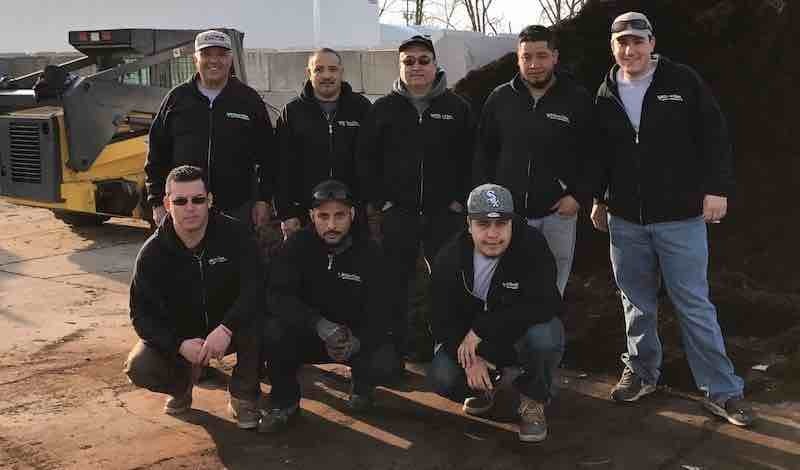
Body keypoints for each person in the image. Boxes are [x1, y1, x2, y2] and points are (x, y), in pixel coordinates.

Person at [591, 12, 753, 426]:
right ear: (613, 47)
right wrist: (599, 199)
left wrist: (717, 188)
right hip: (626, 220)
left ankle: (722, 390)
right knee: (635, 303)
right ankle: (642, 372)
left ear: (652, 43)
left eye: (637, 41)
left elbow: (715, 135)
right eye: (622, 42)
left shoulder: (682, 82)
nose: (630, 50)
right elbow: (601, 154)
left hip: (680, 217)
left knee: (693, 304)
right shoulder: (606, 92)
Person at [357, 35, 473, 360]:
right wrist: (382, 202)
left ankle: (445, 351)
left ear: (435, 64)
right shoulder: (382, 109)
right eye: (408, 61)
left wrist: (459, 200)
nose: (416, 67)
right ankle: (396, 352)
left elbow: (472, 157)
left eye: (423, 60)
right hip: (398, 214)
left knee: (448, 282)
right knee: (395, 285)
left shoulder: (457, 108)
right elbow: (365, 160)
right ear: (399, 66)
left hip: (444, 214)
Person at [124, 165, 264, 429]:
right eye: (180, 201)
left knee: (270, 324)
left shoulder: (237, 236)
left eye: (198, 200)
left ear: (209, 200)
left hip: (230, 329)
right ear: (167, 203)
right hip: (184, 338)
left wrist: (227, 327)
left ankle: (243, 395)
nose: (190, 208)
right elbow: (141, 316)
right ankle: (181, 385)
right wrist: (178, 344)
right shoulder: (152, 254)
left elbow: (255, 288)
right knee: (140, 365)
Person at [428, 183, 564, 443]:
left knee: (546, 336)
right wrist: (471, 359)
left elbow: (548, 303)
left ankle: (533, 398)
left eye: (501, 224)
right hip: (474, 343)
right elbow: (439, 319)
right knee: (441, 377)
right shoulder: (449, 257)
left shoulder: (532, 245)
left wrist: (482, 329)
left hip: (515, 335)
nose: (492, 234)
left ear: (512, 222)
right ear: (469, 225)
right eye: (483, 224)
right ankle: (484, 388)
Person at [260, 180, 397, 433]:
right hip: (308, 335)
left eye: (339, 216)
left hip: (351, 339)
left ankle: (363, 386)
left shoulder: (370, 251)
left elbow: (383, 309)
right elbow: (278, 297)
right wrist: (317, 324)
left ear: (352, 214)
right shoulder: (295, 246)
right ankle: (285, 402)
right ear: (312, 216)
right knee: (273, 332)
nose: (331, 225)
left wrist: (358, 341)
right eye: (323, 216)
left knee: (387, 361)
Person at [473, 25, 593, 296]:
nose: (534, 64)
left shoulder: (576, 99)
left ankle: (549, 323)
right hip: (508, 215)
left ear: (555, 57)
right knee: (507, 283)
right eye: (526, 57)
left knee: (552, 282)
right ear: (518, 59)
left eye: (541, 56)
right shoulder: (500, 99)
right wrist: (488, 200)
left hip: (557, 215)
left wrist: (578, 196)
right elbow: (483, 153)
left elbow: (593, 154)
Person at [145, 29, 275, 230]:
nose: (214, 60)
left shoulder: (249, 100)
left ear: (230, 60)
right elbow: (156, 155)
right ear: (195, 59)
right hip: (185, 209)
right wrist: (156, 202)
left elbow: (268, 156)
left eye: (221, 54)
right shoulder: (176, 100)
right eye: (206, 54)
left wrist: (264, 199)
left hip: (237, 210)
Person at [275, 48, 371, 240]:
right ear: (308, 73)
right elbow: (280, 166)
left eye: (332, 69)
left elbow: (373, 158)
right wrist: (286, 213)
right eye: (319, 69)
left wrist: (372, 204)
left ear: (341, 72)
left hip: (353, 213)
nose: (326, 75)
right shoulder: (292, 112)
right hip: (305, 214)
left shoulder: (362, 108)